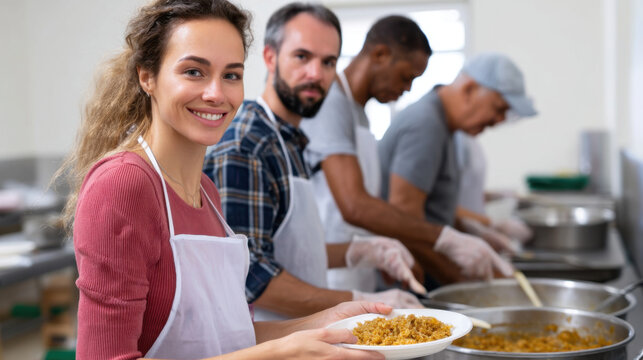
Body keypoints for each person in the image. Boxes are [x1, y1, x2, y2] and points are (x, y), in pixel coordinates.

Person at [58, 1, 392, 358]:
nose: (216, 93)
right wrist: (282, 353)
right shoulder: (122, 186)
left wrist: (323, 322)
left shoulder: (207, 193)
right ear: (147, 76)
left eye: (231, 75)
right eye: (193, 72)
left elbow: (224, 338)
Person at [204, 3, 423, 322]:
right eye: (302, 57)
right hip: (263, 343)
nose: (316, 74)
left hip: (304, 338)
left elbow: (294, 254)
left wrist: (362, 252)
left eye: (328, 62)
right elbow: (250, 276)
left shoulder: (292, 140)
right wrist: (359, 300)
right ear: (270, 57)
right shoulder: (247, 145)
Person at [301, 17, 513, 290]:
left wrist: (390, 248)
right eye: (406, 77)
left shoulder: (360, 115)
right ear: (380, 54)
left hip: (358, 270)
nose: (408, 90)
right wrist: (444, 238)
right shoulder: (331, 103)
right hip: (327, 273)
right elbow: (354, 206)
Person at [378, 52, 537, 255]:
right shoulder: (426, 125)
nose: (498, 121)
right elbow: (406, 224)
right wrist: (459, 277)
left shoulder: (445, 127)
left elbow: (433, 209)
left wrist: (471, 229)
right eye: (498, 109)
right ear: (469, 89)